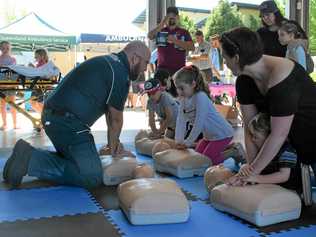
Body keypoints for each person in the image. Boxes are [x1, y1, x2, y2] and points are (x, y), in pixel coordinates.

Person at [3, 41, 151, 188]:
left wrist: (114, 145)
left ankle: (27, 156)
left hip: (55, 118)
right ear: (135, 58)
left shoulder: (110, 62)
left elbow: (110, 113)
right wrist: (114, 151)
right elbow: (115, 119)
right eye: (146, 62)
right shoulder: (120, 73)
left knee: (79, 162)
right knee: (91, 176)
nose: (145, 69)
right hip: (68, 124)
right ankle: (30, 159)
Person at [219, 27, 316, 186]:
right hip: (289, 142)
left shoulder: (282, 77)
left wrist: (251, 173)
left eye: (225, 58)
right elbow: (249, 128)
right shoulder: (244, 81)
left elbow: (278, 134)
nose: (224, 63)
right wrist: (250, 170)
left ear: (236, 58)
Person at [173, 65, 234, 165]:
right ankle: (228, 147)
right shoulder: (184, 99)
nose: (179, 92)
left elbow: (198, 123)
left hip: (222, 134)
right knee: (198, 158)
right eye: (177, 88)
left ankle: (233, 152)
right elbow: (181, 120)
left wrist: (187, 142)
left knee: (207, 161)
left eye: (182, 88)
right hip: (209, 136)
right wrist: (179, 141)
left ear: (193, 84)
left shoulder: (200, 97)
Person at [229, 113, 298, 189]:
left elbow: (284, 176)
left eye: (255, 137)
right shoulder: (261, 149)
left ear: (268, 138)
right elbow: (252, 165)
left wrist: (257, 178)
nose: (252, 139)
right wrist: (244, 167)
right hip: (265, 185)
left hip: (285, 188)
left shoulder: (286, 151)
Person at [148, 6, 194, 97]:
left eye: (174, 17)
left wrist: (174, 40)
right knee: (160, 98)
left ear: (178, 18)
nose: (172, 20)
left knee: (178, 98)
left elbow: (192, 47)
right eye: (169, 17)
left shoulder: (184, 32)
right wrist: (162, 23)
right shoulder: (161, 30)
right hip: (162, 71)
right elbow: (150, 36)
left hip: (179, 71)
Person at [0, 41, 18, 130]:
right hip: (1, 86)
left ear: (10, 48)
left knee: (13, 105)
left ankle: (15, 123)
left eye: (7, 48)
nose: (5, 50)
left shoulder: (13, 59)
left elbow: (15, 72)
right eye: (3, 48)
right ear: (0, 49)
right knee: (2, 106)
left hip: (11, 85)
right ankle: (4, 124)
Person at [28, 48, 50, 113]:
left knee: (36, 103)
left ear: (42, 56)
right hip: (38, 86)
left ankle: (42, 117)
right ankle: (42, 116)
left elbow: (39, 73)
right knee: (34, 103)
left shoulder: (43, 64)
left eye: (36, 56)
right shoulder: (42, 63)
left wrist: (32, 67)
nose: (35, 58)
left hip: (40, 86)